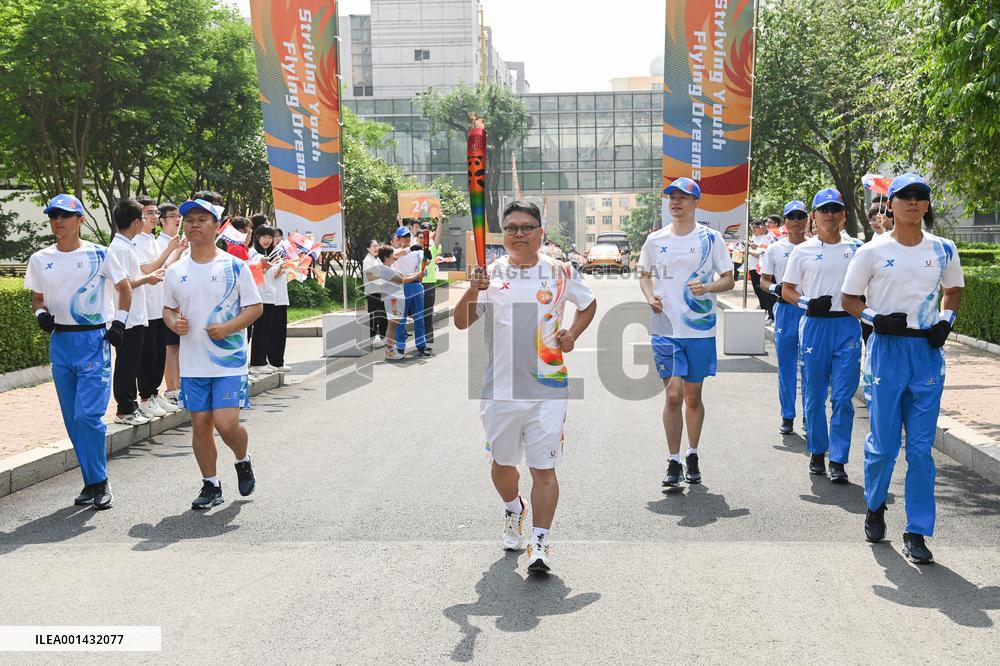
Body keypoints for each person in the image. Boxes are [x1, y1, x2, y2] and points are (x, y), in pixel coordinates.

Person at [454, 201, 596, 573]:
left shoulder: (561, 272)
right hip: (499, 389)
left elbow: (589, 303)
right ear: (503, 234)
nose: (520, 233)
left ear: (540, 233)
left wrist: (573, 333)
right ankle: (514, 507)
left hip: (548, 387)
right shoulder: (490, 274)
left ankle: (541, 542)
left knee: (544, 469)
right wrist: (472, 290)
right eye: (512, 227)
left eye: (527, 227)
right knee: (503, 465)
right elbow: (459, 322)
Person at [842, 173, 963, 565]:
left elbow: (953, 290)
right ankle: (875, 506)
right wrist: (876, 319)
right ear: (890, 204)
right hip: (887, 351)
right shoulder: (872, 251)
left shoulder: (944, 249)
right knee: (884, 444)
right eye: (905, 196)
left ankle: (917, 530)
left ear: (927, 205)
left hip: (926, 352)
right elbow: (849, 299)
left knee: (922, 450)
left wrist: (947, 321)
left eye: (921, 196)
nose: (913, 201)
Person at [25, 194, 132, 509]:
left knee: (88, 415)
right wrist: (40, 315)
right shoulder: (40, 258)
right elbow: (38, 299)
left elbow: (124, 289)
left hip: (93, 341)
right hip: (61, 343)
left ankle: (100, 481)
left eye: (65, 215)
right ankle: (91, 481)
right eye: (53, 216)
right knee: (73, 419)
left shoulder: (101, 254)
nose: (58, 221)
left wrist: (119, 324)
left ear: (80, 220)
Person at [163, 199, 263, 509]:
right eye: (189, 220)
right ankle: (211, 485)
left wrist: (229, 327)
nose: (193, 225)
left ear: (217, 226)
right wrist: (173, 323)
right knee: (201, 423)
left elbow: (255, 308)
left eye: (202, 220)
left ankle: (242, 459)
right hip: (193, 363)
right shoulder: (175, 270)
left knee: (226, 423)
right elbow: (168, 309)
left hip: (228, 361)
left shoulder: (234, 266)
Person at [638, 178, 735, 488]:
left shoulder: (711, 238)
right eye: (672, 197)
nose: (676, 202)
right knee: (673, 396)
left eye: (683, 197)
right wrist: (649, 295)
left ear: (696, 202)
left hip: (699, 328)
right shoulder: (655, 239)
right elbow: (644, 275)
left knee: (692, 398)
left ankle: (692, 453)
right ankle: (673, 461)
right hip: (665, 327)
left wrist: (707, 287)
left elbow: (729, 280)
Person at [781, 188, 863, 482]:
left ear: (843, 215)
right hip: (815, 325)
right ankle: (817, 450)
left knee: (842, 397)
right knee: (815, 393)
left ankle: (838, 459)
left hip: (847, 325)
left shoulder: (857, 248)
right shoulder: (802, 251)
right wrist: (806, 302)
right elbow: (787, 289)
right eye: (823, 210)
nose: (829, 215)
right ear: (813, 217)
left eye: (834, 210)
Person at [108, 198, 164, 425]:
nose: (146, 220)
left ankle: (130, 406)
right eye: (142, 216)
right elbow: (123, 284)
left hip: (136, 314)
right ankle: (124, 408)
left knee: (133, 362)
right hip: (126, 317)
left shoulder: (127, 246)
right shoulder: (119, 249)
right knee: (126, 364)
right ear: (134, 222)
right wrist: (148, 278)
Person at [760, 201, 809, 435]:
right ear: (785, 222)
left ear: (808, 219)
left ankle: (810, 414)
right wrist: (776, 289)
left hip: (811, 311)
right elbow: (764, 280)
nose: (797, 221)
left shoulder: (815, 247)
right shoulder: (775, 249)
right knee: (787, 366)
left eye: (801, 216)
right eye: (792, 217)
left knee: (811, 367)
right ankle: (787, 414)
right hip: (786, 310)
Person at [134, 195, 184, 417]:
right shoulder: (136, 241)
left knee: (157, 356)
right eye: (150, 213)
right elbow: (148, 270)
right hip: (145, 307)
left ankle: (154, 395)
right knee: (146, 357)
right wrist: (169, 250)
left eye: (155, 213)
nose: (154, 217)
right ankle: (145, 398)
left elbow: (163, 270)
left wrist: (178, 252)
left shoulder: (151, 241)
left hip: (158, 307)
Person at [375, 245, 425, 361]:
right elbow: (401, 280)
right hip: (393, 300)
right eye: (393, 254)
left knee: (393, 325)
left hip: (395, 299)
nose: (395, 256)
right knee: (392, 326)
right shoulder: (385, 270)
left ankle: (391, 350)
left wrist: (417, 274)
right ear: (387, 257)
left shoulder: (389, 268)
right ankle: (389, 351)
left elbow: (403, 276)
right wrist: (417, 276)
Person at [156, 202, 185, 406]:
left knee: (180, 346)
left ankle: (181, 385)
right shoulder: (159, 244)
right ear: (162, 220)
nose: (177, 220)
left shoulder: (183, 242)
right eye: (173, 216)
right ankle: (171, 388)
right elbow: (164, 270)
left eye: (178, 216)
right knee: (170, 348)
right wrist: (175, 251)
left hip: (180, 302)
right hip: (163, 303)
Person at [249, 225, 282, 375]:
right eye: (264, 237)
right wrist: (262, 267)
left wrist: (280, 268)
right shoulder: (253, 253)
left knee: (267, 331)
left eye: (270, 237)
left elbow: (272, 276)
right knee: (260, 331)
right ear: (257, 237)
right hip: (259, 296)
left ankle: (263, 360)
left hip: (270, 296)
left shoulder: (271, 254)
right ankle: (257, 361)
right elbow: (251, 275)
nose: (267, 240)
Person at [391, 227, 429, 356]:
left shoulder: (416, 252)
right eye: (404, 236)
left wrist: (427, 258)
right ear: (398, 239)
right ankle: (400, 347)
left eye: (408, 236)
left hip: (416, 286)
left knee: (419, 318)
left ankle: (421, 346)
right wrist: (410, 248)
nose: (407, 238)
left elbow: (425, 263)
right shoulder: (395, 251)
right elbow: (397, 255)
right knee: (401, 319)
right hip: (402, 287)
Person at [748, 219, 776, 320]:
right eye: (753, 228)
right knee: (758, 290)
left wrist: (750, 250)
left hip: (764, 268)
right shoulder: (753, 237)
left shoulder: (769, 237)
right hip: (753, 266)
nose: (755, 229)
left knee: (766, 292)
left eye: (757, 227)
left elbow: (763, 252)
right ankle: (764, 308)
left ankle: (769, 313)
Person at [420, 223, 443, 346]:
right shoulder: (415, 249)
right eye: (423, 230)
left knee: (427, 314)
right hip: (416, 284)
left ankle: (428, 340)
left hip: (429, 284)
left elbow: (438, 237)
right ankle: (420, 341)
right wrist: (400, 222)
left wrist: (440, 221)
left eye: (427, 230)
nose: (425, 232)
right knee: (418, 315)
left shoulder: (432, 248)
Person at [362, 239, 388, 346]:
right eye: (374, 246)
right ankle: (371, 339)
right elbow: (370, 277)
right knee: (374, 317)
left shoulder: (377, 260)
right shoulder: (368, 260)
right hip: (373, 292)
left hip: (381, 291)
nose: (376, 248)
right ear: (368, 248)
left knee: (383, 316)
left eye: (377, 246)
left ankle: (383, 337)